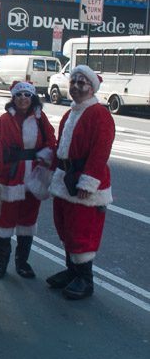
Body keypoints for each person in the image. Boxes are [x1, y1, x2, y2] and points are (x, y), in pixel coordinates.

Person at [47, 65, 115, 300]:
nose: (76, 87)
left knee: (82, 231)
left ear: (91, 88)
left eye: (81, 83)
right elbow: (63, 146)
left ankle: (85, 279)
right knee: (66, 227)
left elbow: (101, 150)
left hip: (84, 184)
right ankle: (72, 271)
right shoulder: (70, 113)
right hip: (66, 181)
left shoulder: (99, 114)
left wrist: (88, 182)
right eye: (73, 82)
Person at [0, 81, 56, 279]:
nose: (23, 98)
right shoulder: (4, 120)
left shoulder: (40, 119)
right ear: (14, 98)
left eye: (27, 94)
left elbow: (51, 141)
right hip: (9, 177)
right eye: (19, 95)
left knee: (27, 221)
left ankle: (22, 263)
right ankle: (0, 263)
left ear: (33, 97)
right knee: (4, 222)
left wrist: (46, 154)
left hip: (33, 178)